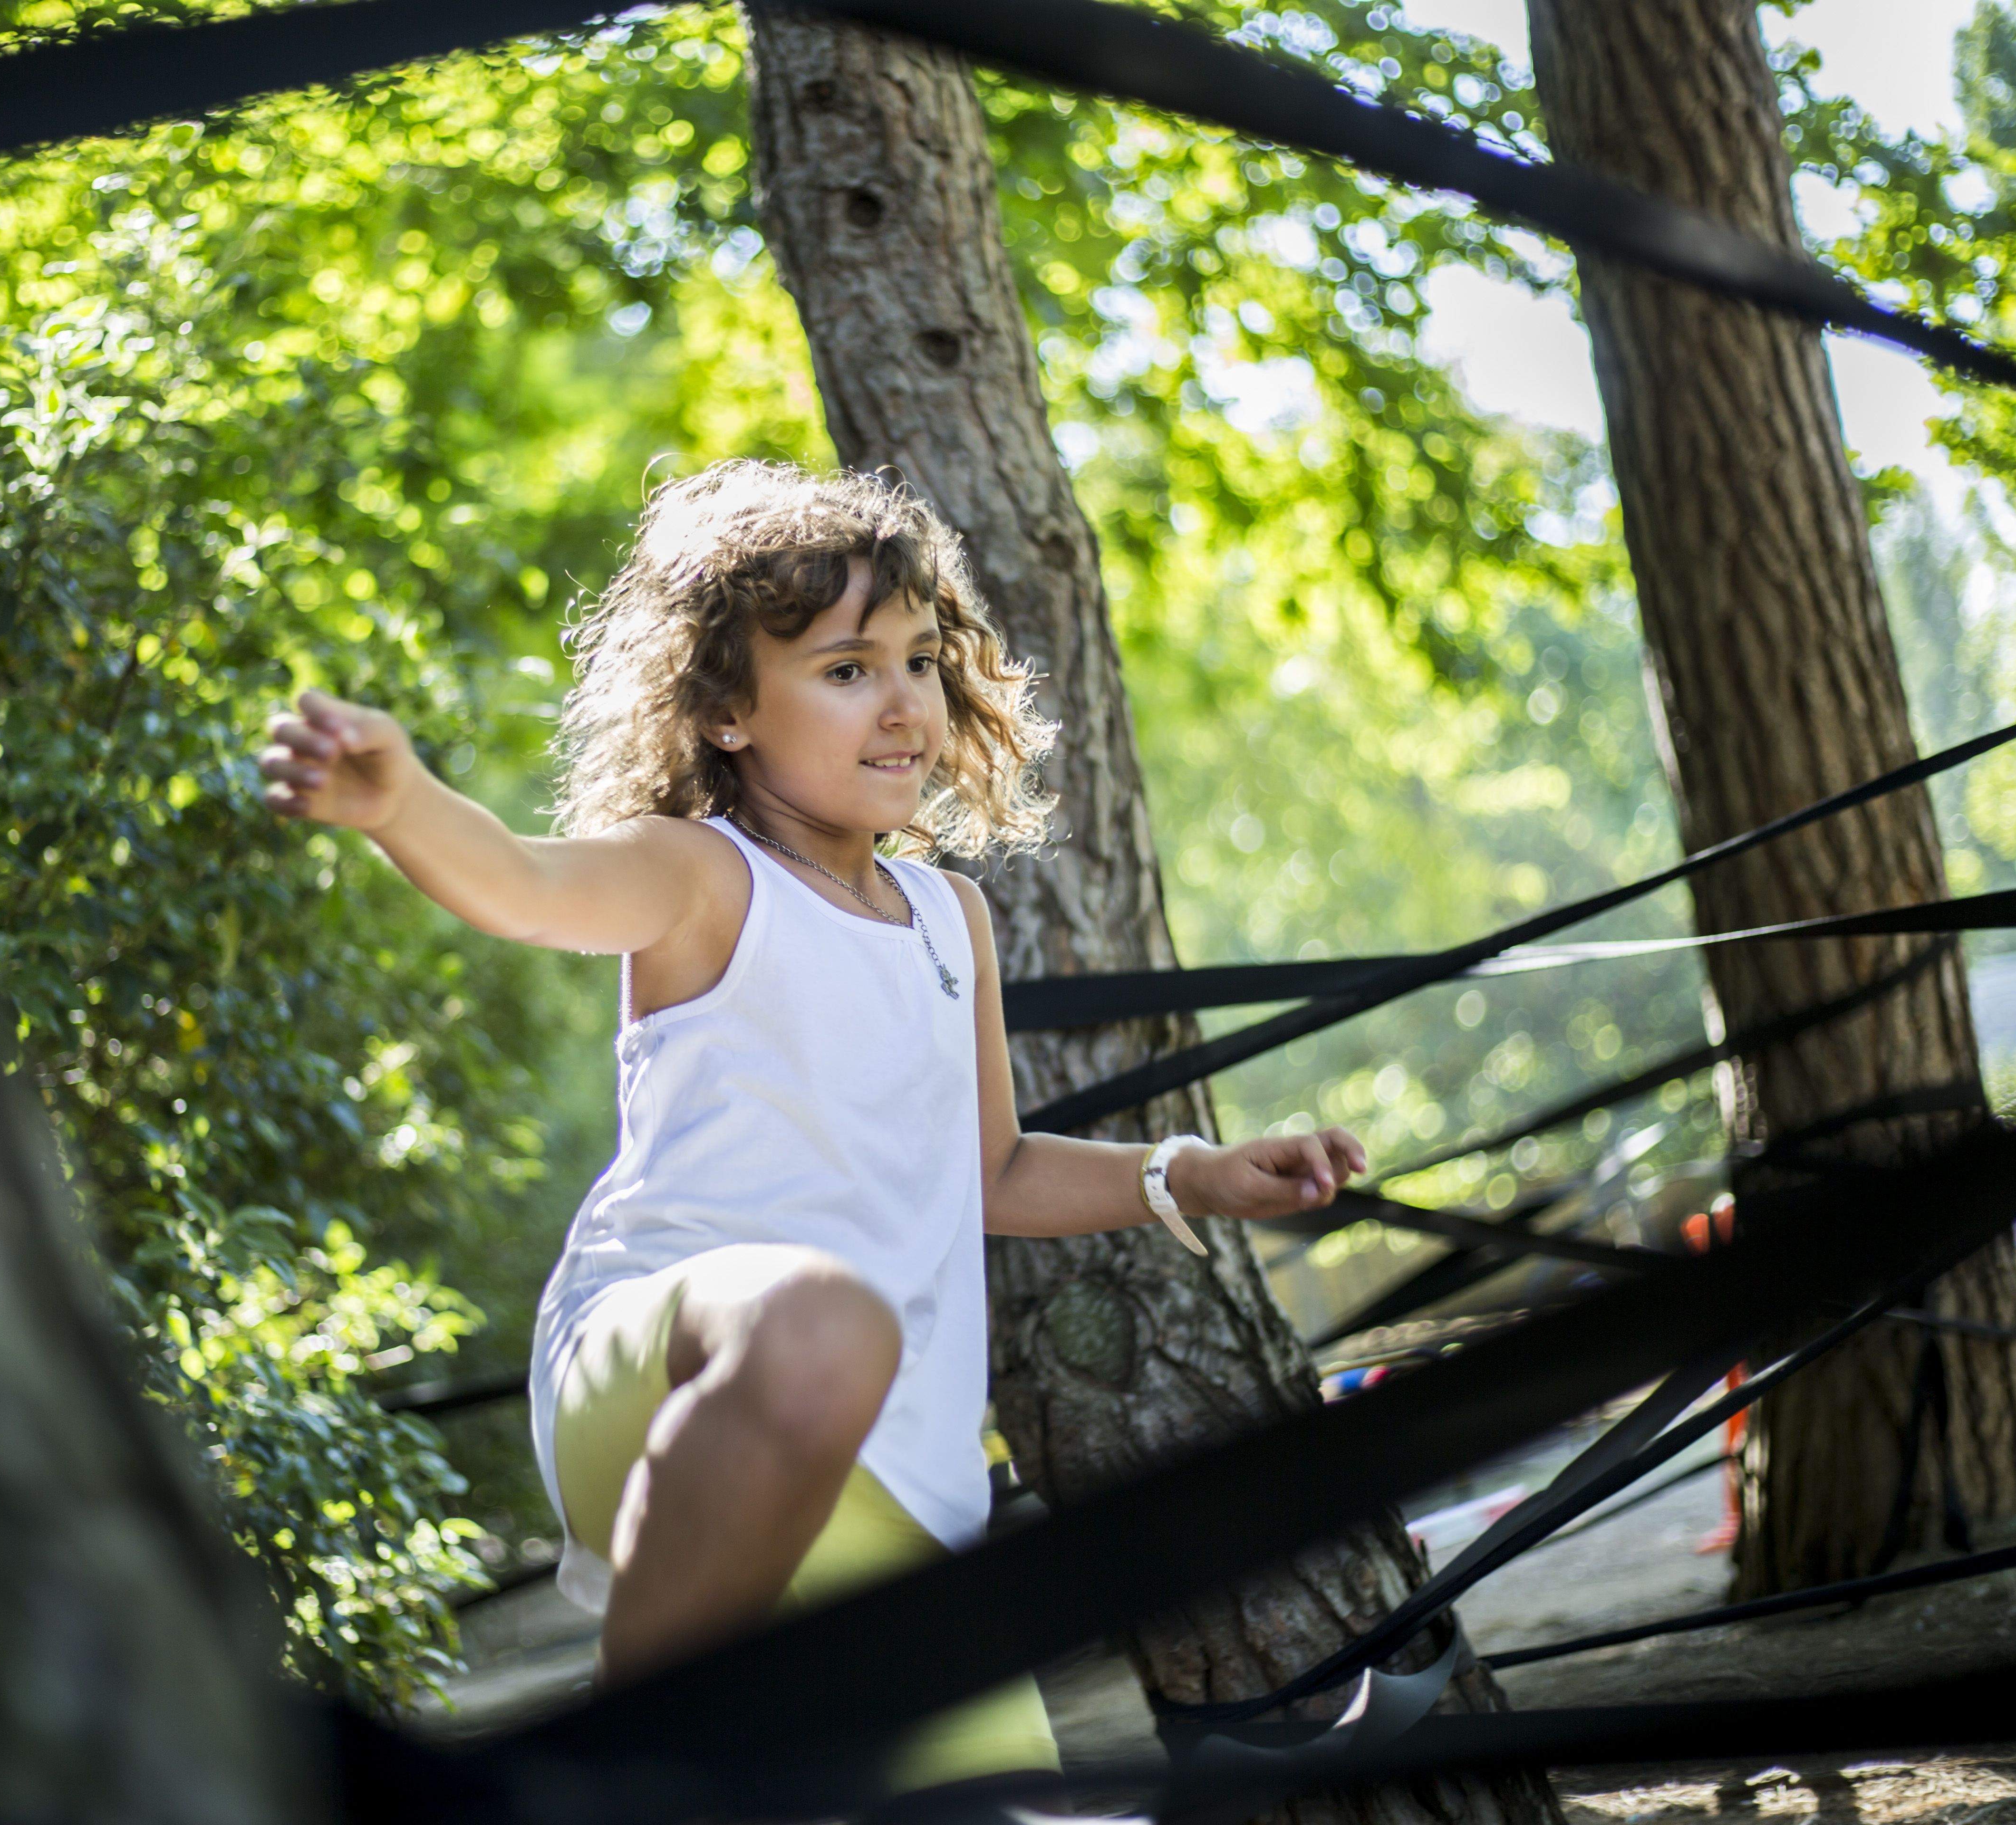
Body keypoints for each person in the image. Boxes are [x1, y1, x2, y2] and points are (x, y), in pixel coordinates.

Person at [258, 460, 1362, 1800]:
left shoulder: (951, 917)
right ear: (727, 707)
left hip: (894, 1477)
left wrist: (1185, 1172)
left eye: (918, 660)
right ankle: (621, 1771)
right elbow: (526, 885)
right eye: (846, 671)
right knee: (821, 1326)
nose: (903, 704)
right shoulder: (705, 872)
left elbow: (990, 1171)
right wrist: (402, 804)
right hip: (676, 1369)